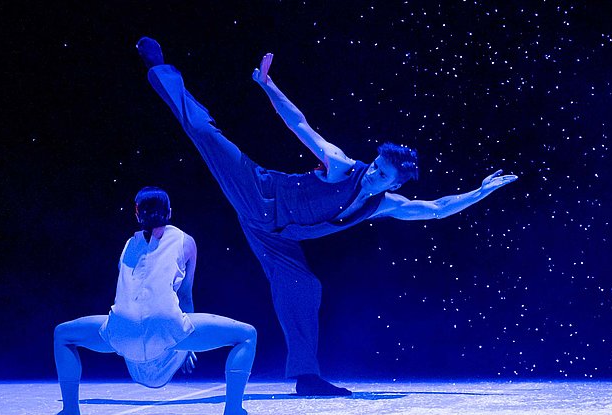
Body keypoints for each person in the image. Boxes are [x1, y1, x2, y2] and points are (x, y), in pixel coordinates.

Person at [136, 37, 518, 396]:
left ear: (393, 184)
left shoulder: (384, 204)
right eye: (376, 165)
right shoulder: (341, 165)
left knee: (304, 287)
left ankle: (306, 376)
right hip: (260, 193)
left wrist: (480, 192)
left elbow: (435, 210)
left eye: (382, 175)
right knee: (206, 132)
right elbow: (300, 125)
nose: (373, 173)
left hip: (276, 237)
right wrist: (269, 86)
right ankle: (160, 68)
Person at [53, 187, 256, 415]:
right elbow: (185, 295)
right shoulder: (185, 241)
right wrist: (187, 343)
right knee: (247, 335)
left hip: (121, 328)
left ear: (136, 213)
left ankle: (70, 411)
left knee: (63, 334)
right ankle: (234, 410)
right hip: (166, 326)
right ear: (169, 212)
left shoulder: (128, 245)